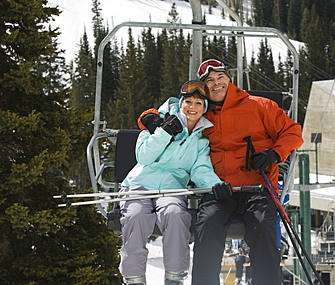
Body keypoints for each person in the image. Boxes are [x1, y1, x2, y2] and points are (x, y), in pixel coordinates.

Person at [138, 59, 304, 284]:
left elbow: (293, 133)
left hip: (256, 186)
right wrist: (148, 118)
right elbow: (171, 108)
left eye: (220, 78)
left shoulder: (259, 106)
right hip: (219, 188)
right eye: (210, 81)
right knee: (207, 223)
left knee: (263, 225)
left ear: (229, 79)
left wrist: (274, 154)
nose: (216, 84)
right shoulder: (202, 112)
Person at [119, 80, 223, 285]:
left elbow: (201, 169)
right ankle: (133, 278)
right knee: (136, 216)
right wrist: (163, 133)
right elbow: (144, 157)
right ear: (181, 103)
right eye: (188, 102)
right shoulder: (156, 124)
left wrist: (215, 184)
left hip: (172, 189)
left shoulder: (201, 141)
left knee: (176, 216)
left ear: (205, 109)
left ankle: (175, 277)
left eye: (199, 103)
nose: (192, 107)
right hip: (139, 184)